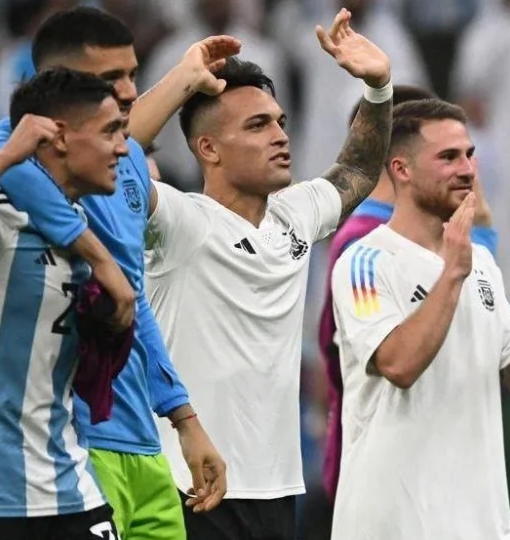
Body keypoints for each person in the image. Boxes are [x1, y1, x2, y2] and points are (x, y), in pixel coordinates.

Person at [0, 7, 234, 539]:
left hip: (142, 438)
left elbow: (133, 294)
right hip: (73, 441)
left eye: (132, 74)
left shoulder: (124, 162)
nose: (127, 92)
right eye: (109, 79)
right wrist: (97, 254)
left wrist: (183, 417)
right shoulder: (15, 168)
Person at [143, 10, 393, 539]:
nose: (280, 136)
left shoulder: (294, 214)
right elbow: (112, 161)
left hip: (277, 490)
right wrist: (181, 80)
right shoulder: (180, 221)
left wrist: (377, 88)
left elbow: (357, 170)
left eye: (280, 122)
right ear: (208, 148)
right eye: (257, 126)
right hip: (190, 488)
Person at [315, 84, 510, 507]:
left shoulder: (467, 253)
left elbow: (497, 350)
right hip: (392, 497)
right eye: (448, 156)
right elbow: (396, 362)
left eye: (468, 154)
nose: (469, 169)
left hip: (472, 501)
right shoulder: (360, 254)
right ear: (400, 163)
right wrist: (468, 252)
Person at [0, 68, 126, 540]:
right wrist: (6, 157)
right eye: (110, 132)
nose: (121, 148)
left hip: (70, 486)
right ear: (60, 137)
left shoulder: (80, 225)